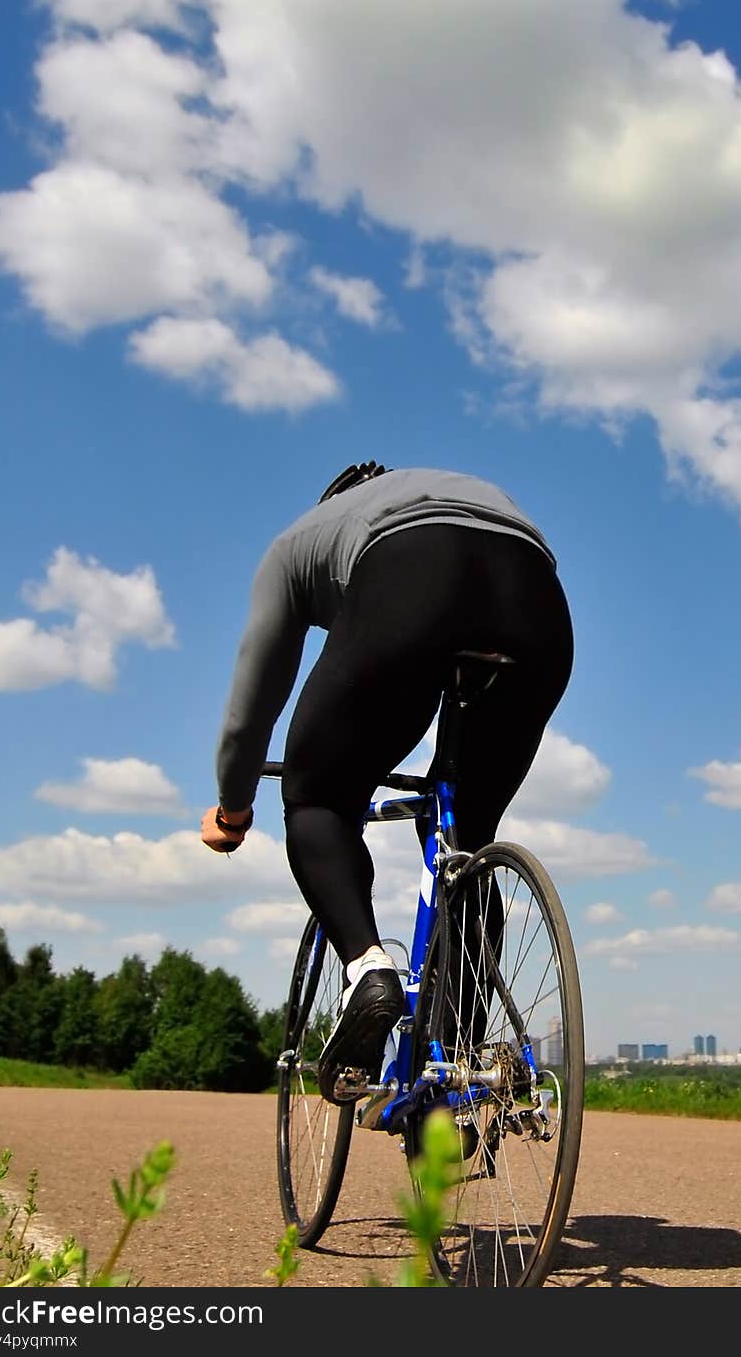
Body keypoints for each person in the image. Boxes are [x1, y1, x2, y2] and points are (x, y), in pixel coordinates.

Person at [201, 462, 573, 1103]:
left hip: (412, 577)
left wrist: (234, 805)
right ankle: (455, 1072)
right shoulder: (440, 488)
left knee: (318, 796)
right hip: (537, 600)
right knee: (467, 835)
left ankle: (368, 973)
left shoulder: (296, 544)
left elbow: (250, 705)